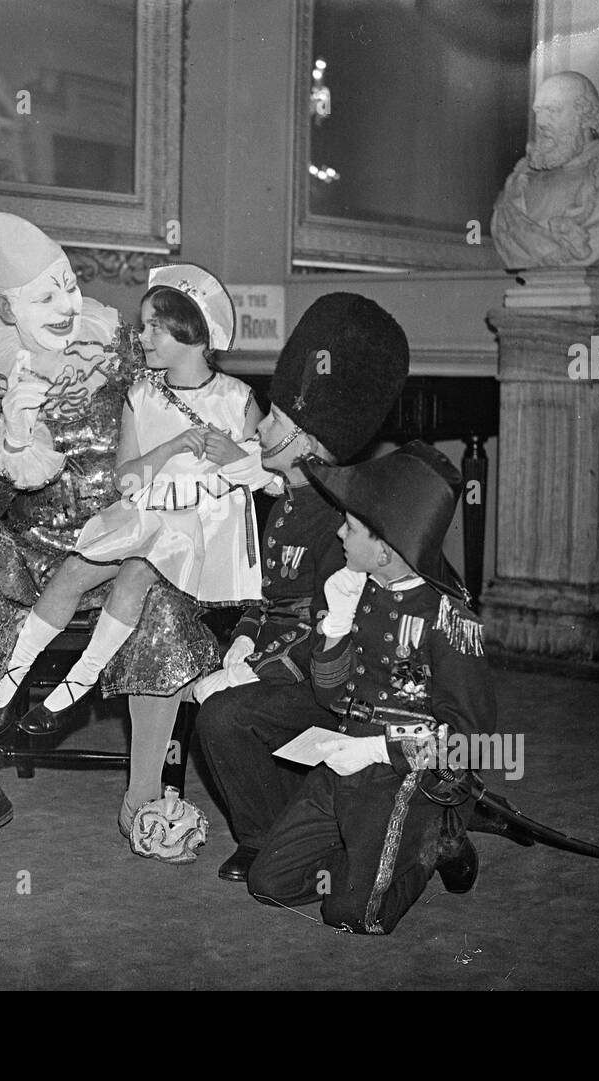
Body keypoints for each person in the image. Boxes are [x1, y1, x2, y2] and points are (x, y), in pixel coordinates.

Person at [0, 213, 220, 850]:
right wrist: (8, 447)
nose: (67, 304)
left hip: (122, 541)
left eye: (68, 285)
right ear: (7, 308)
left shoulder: (126, 352)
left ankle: (143, 797)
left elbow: (190, 414)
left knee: (159, 599)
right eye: (45, 296)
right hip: (26, 550)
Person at [0, 264, 265, 736]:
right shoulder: (142, 395)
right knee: (74, 570)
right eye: (143, 325)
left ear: (192, 329)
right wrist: (169, 448)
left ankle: (73, 690)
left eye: (156, 325)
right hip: (148, 515)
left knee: (135, 573)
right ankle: (6, 685)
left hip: (203, 531)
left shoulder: (236, 399)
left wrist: (238, 455)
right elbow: (126, 480)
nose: (144, 336)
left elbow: (272, 477)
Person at [193, 293, 410, 883]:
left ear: (308, 444)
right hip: (296, 671)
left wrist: (250, 674)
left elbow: (325, 635)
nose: (261, 424)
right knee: (219, 705)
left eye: (277, 420)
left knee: (225, 716)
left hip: (337, 684)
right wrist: (239, 645)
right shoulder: (287, 503)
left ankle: (268, 837)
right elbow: (264, 601)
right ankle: (274, 826)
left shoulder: (338, 522)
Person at [247, 442, 496, 935]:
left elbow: (472, 738)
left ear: (384, 547)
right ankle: (369, 850)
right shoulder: (353, 587)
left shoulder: (447, 620)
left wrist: (378, 751)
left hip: (402, 776)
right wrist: (335, 628)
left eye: (351, 526)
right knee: (268, 883)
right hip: (343, 758)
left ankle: (439, 841)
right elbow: (330, 698)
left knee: (353, 915)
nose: (338, 531)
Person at [490, 70, 599, 268]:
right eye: (538, 111)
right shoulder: (518, 186)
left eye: (553, 111)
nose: (540, 123)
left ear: (585, 117)